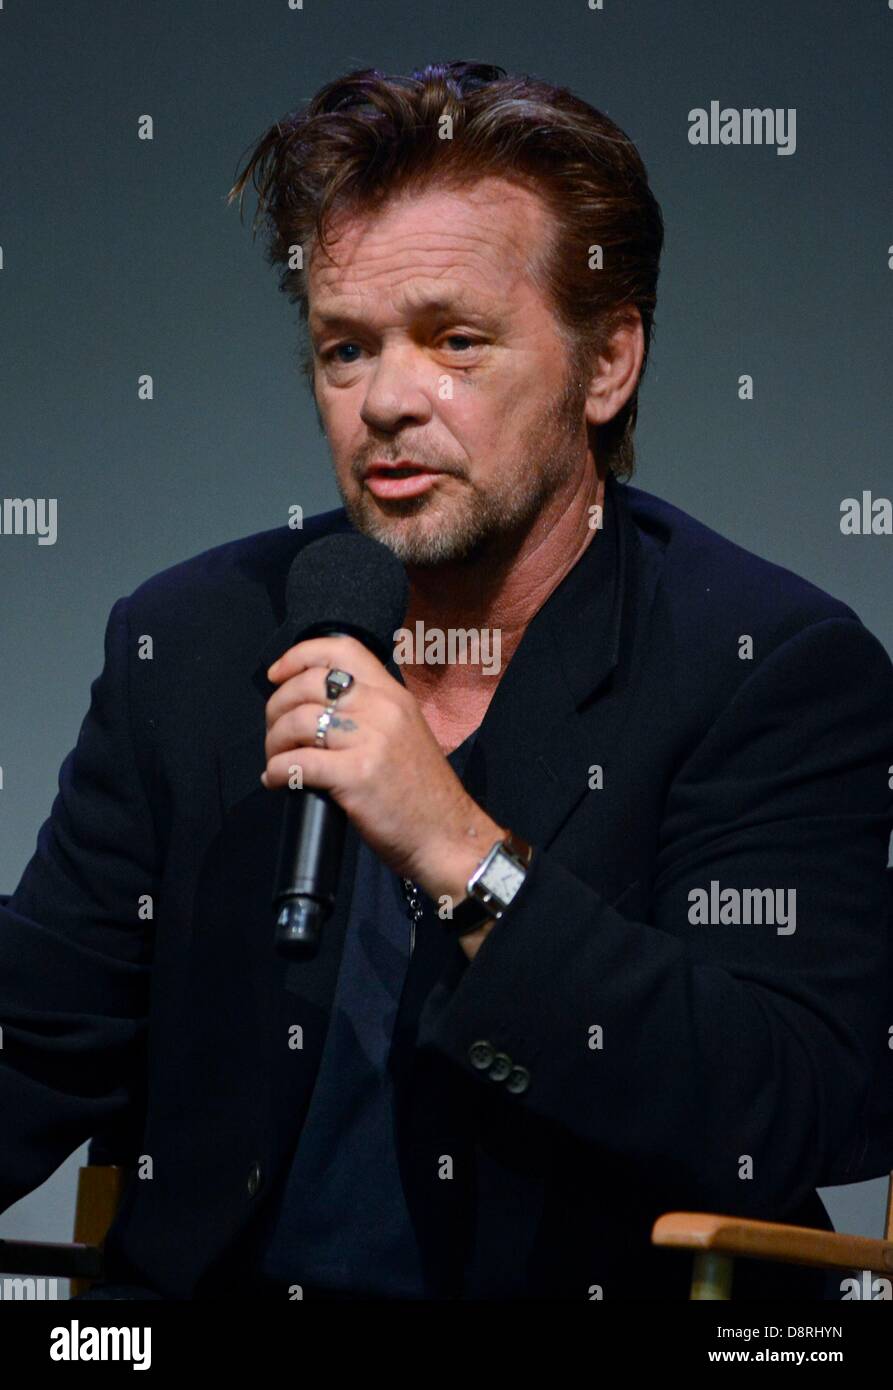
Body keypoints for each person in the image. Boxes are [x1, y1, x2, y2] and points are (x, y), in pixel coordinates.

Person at [2, 61, 892, 1302]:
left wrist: (465, 857)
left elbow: (795, 1103)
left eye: (454, 341)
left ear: (606, 363)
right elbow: (37, 1037)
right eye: (345, 348)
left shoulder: (764, 669)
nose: (385, 401)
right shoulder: (192, 641)